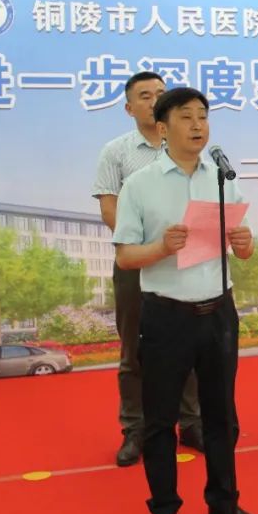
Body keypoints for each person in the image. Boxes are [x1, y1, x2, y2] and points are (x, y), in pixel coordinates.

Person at [114, 87, 258, 514]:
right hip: (166, 315)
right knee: (160, 421)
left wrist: (245, 244)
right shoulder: (140, 185)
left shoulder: (221, 177)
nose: (198, 125)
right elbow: (125, 256)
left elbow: (242, 247)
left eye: (203, 116)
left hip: (218, 311)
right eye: (186, 117)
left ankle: (223, 500)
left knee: (222, 416)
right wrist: (161, 247)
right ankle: (164, 509)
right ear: (162, 128)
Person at [93, 71, 204, 467]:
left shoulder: (189, 148)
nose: (155, 99)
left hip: (187, 262)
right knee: (134, 349)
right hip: (136, 262)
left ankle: (191, 422)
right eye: (145, 95)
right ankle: (135, 429)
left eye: (160, 93)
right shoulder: (116, 152)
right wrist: (148, 247)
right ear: (129, 108)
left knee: (189, 345)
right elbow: (110, 209)